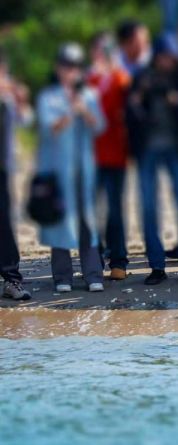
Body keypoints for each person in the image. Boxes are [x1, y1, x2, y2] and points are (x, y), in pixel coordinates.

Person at [126, 35, 178, 286]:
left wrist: (177, 102)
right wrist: (137, 100)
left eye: (170, 57)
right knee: (148, 207)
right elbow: (130, 112)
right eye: (162, 57)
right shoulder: (143, 76)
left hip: (177, 149)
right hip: (148, 149)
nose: (166, 62)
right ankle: (157, 266)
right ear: (156, 56)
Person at [37, 44, 107, 293]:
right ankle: (62, 277)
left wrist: (83, 109)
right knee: (60, 220)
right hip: (58, 170)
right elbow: (49, 128)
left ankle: (93, 274)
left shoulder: (89, 95)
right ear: (58, 69)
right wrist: (68, 110)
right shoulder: (48, 97)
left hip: (85, 169)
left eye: (75, 67)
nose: (71, 72)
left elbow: (99, 126)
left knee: (88, 221)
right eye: (67, 66)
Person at [87, 32, 132, 282]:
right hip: (91, 155)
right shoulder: (87, 79)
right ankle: (95, 259)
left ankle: (119, 260)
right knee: (93, 210)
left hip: (116, 153)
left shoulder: (121, 78)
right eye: (99, 50)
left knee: (115, 209)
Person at [0, 49, 33, 301]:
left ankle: (12, 280)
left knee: (4, 223)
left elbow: (26, 121)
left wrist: (20, 100)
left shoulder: (9, 98)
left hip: (3, 168)